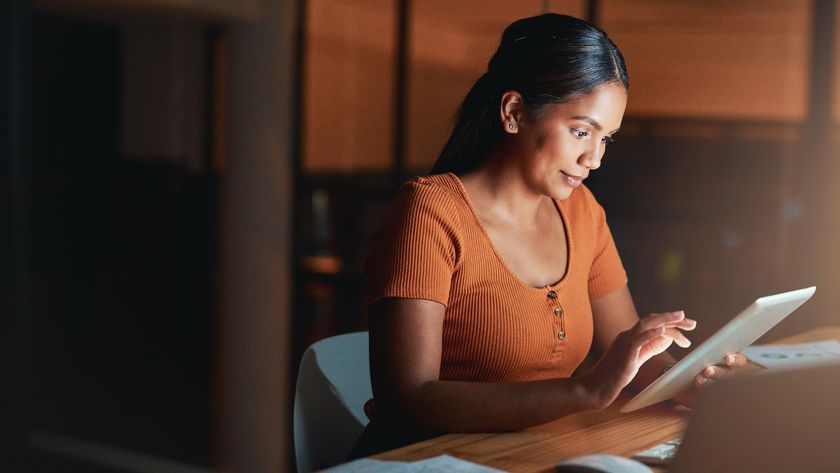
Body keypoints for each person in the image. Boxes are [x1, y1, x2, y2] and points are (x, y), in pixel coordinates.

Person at [352, 13, 746, 457]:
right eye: (581, 132)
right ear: (514, 112)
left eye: (606, 140)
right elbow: (407, 399)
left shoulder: (583, 214)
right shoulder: (429, 213)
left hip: (534, 456)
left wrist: (689, 383)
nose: (593, 158)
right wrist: (584, 392)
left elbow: (630, 366)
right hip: (427, 463)